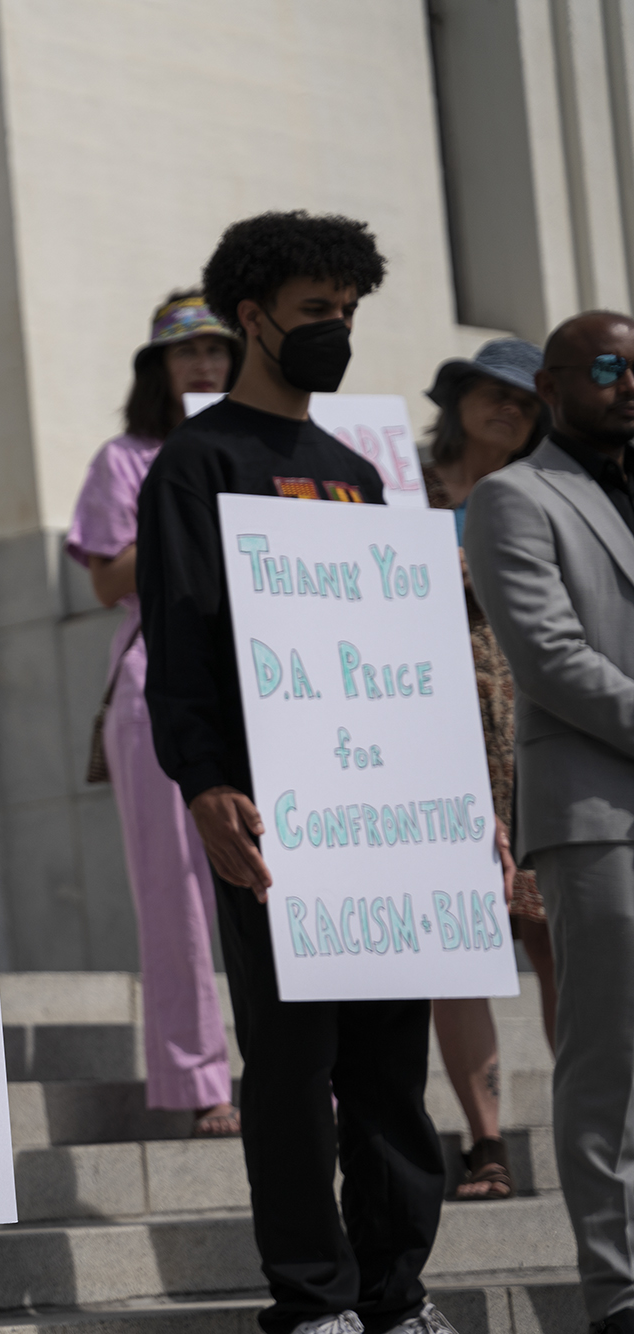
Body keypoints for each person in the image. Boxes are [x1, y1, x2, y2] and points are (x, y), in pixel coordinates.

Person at [137, 211, 454, 1334]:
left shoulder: (353, 473)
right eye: (315, 311)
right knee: (289, 1064)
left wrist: (457, 807)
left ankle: (394, 1294)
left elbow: (397, 658)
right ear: (252, 316)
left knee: (386, 1069)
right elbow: (176, 641)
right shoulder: (194, 461)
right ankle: (310, 1300)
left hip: (378, 813)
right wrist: (203, 780)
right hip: (269, 817)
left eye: (347, 312)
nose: (335, 330)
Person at [465, 310, 634, 1333]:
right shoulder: (511, 495)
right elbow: (548, 658)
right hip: (597, 814)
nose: (628, 383)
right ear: (551, 381)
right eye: (609, 365)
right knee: (608, 1059)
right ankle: (616, 1290)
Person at [66, 289, 239, 1136]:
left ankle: (297, 1069)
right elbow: (102, 581)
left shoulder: (259, 448)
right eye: (186, 352)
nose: (204, 365)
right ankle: (201, 1079)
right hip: (156, 679)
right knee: (173, 889)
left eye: (217, 350)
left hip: (268, 685)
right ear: (159, 368)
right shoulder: (125, 458)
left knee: (274, 883)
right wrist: (186, 510)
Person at [419, 337, 555, 1203]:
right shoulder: (404, 492)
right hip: (431, 728)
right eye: (495, 391)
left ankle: (599, 1123)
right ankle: (487, 1142)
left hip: (538, 735)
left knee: (556, 933)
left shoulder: (553, 495)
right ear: (459, 397)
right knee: (458, 945)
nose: (510, 408)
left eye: (528, 398)